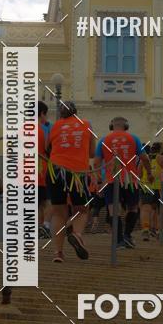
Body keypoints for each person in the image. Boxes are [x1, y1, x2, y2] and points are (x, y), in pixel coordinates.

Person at [46, 101, 95, 262]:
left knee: (58, 212)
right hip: (77, 173)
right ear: (76, 112)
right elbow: (92, 153)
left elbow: (48, 148)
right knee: (81, 209)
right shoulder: (86, 124)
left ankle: (58, 253)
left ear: (61, 114)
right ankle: (77, 234)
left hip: (55, 171)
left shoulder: (55, 126)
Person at [94, 117, 149, 249]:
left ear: (111, 126)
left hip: (111, 179)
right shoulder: (134, 138)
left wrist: (99, 181)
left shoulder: (103, 140)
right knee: (133, 207)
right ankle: (127, 235)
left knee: (114, 211)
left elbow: (96, 163)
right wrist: (150, 173)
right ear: (126, 126)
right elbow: (145, 158)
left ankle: (118, 241)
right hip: (130, 179)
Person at [37, 101, 52, 239]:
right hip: (41, 173)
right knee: (46, 202)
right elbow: (48, 150)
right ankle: (44, 227)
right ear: (42, 113)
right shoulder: (43, 130)